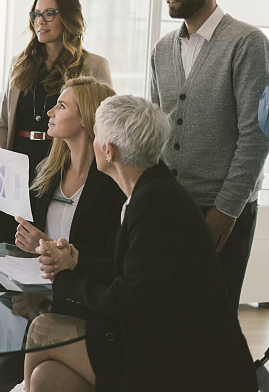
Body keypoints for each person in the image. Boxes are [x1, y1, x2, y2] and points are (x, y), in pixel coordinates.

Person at [25, 95, 257, 392]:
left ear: (109, 151)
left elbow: (127, 302)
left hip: (183, 367)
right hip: (165, 346)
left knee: (43, 329)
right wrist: (77, 260)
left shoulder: (156, 204)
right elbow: (130, 269)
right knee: (47, 378)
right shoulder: (152, 190)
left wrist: (65, 278)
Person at [0, 77, 124, 392]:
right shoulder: (49, 170)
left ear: (87, 118)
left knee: (7, 358)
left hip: (75, 299)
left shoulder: (112, 184)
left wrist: (45, 245)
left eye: (61, 106)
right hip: (35, 290)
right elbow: (15, 234)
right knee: (7, 331)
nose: (49, 112)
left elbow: (112, 260)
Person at [151, 0, 269, 310]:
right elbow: (153, 131)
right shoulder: (162, 48)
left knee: (211, 320)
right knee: (165, 314)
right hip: (168, 204)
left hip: (221, 209)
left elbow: (256, 135)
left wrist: (227, 210)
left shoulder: (247, 42)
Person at [0, 0, 111, 183]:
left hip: (66, 161)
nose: (40, 21)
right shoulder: (19, 64)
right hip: (18, 159)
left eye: (49, 14)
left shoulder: (94, 65)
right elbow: (5, 122)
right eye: (36, 14)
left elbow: (103, 125)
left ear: (68, 17)